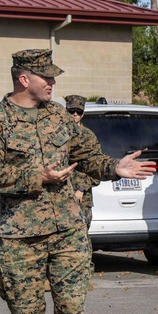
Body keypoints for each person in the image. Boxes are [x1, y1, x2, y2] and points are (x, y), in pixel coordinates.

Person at [0, 49, 156, 314]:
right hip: (20, 233)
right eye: (46, 77)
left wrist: (114, 168)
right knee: (24, 310)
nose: (52, 82)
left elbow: (88, 156)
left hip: (67, 230)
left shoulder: (60, 116)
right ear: (24, 79)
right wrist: (37, 176)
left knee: (70, 307)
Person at [63, 95, 100, 230]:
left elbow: (97, 166)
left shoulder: (89, 137)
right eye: (71, 111)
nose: (75, 114)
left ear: (83, 114)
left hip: (82, 199)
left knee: (82, 235)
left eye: (78, 112)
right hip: (61, 196)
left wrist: (81, 188)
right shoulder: (57, 134)